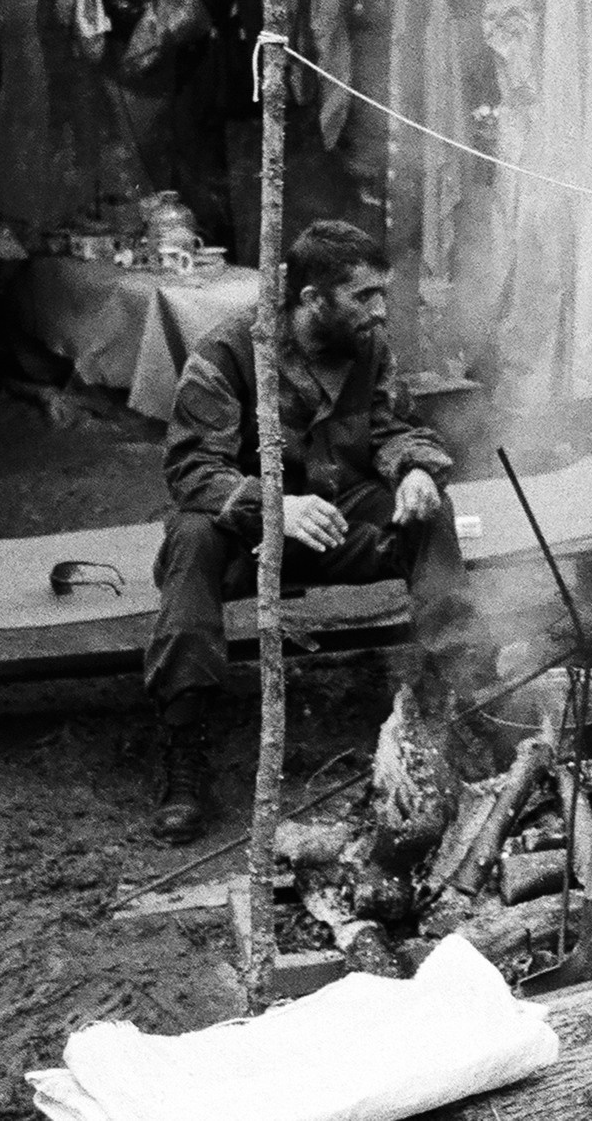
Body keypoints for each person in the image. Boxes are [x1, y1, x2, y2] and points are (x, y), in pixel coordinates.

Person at [144, 220, 483, 843]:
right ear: (311, 299)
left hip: (339, 527)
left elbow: (392, 427)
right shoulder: (227, 354)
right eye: (364, 295)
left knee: (429, 510)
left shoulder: (368, 346)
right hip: (247, 540)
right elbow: (192, 469)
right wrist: (275, 506)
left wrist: (414, 469)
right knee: (191, 538)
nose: (380, 311)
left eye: (382, 293)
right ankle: (184, 748)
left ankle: (465, 696)